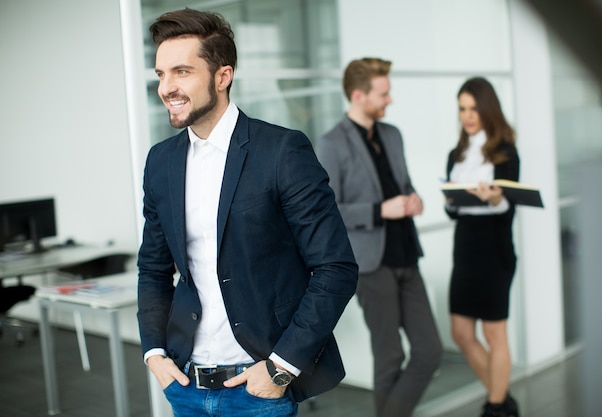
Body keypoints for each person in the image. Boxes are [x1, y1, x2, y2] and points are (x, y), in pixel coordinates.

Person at [136, 9, 358, 417]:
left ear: (222, 76)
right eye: (160, 74)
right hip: (185, 383)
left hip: (258, 386)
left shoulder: (280, 151)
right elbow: (153, 268)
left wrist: (281, 368)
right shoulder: (160, 161)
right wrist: (154, 353)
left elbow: (336, 268)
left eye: (182, 72)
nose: (167, 87)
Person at [316, 57, 442, 417]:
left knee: (429, 350)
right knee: (389, 357)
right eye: (383, 94)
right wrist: (379, 210)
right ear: (358, 95)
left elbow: (401, 184)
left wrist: (413, 198)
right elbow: (329, 210)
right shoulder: (331, 144)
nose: (390, 100)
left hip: (406, 255)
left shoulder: (393, 134)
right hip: (371, 264)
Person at [444, 77, 520, 417]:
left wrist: (496, 199)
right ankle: (502, 399)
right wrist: (451, 201)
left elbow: (510, 209)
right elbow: (452, 211)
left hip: (494, 248)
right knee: (461, 333)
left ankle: (494, 406)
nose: (468, 115)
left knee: (494, 333)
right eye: (462, 108)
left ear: (487, 109)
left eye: (474, 108)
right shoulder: (455, 155)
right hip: (465, 248)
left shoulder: (506, 153)